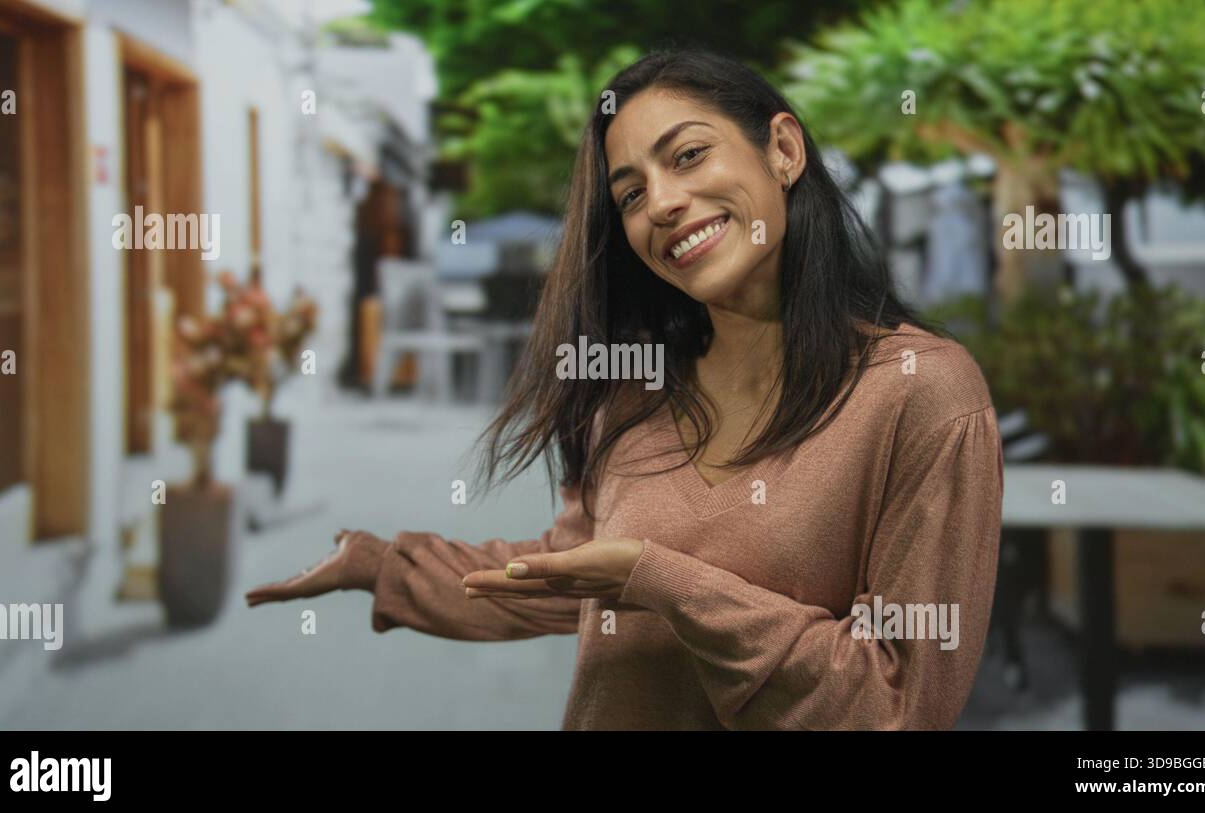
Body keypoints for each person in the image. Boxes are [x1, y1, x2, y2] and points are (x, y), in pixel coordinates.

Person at [246, 49, 1004, 730]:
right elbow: (567, 571)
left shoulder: (921, 392)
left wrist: (665, 581)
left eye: (690, 155)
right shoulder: (634, 397)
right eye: (631, 194)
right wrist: (382, 566)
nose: (663, 204)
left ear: (782, 149)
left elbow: (897, 703)